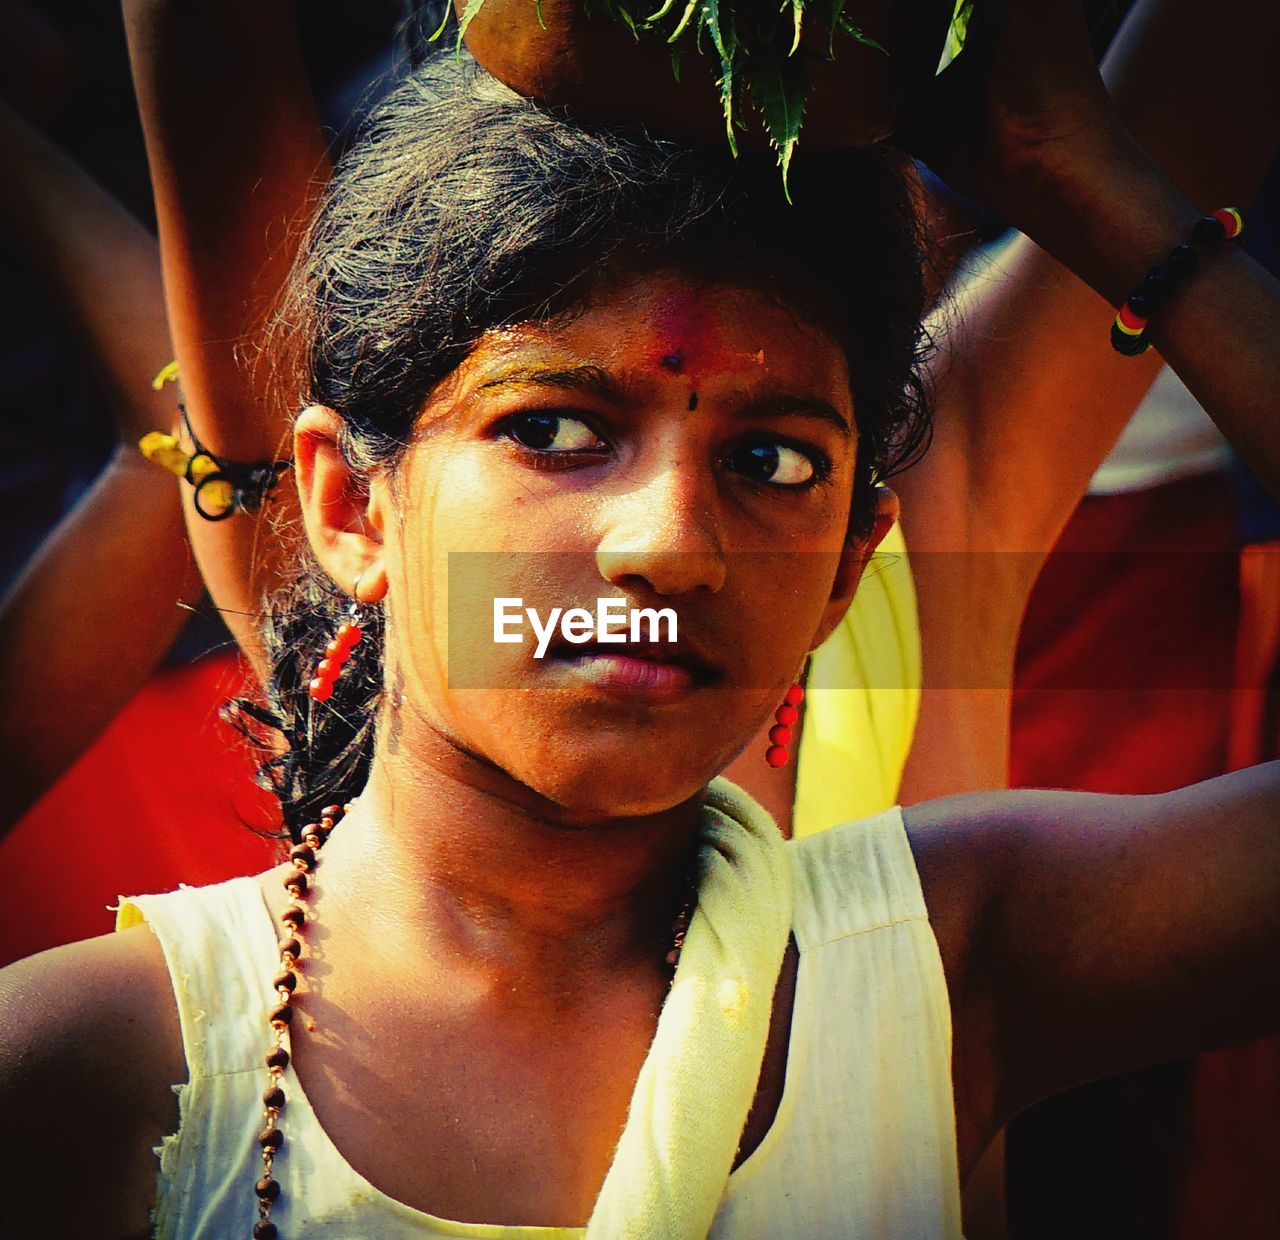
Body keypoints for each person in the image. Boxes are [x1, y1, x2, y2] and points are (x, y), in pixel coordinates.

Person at [4, 61, 1280, 1239]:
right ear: (349, 506)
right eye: (554, 429)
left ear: (846, 565)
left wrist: (1087, 183)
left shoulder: (949, 960)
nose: (670, 546)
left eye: (769, 460)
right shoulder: (86, 1069)